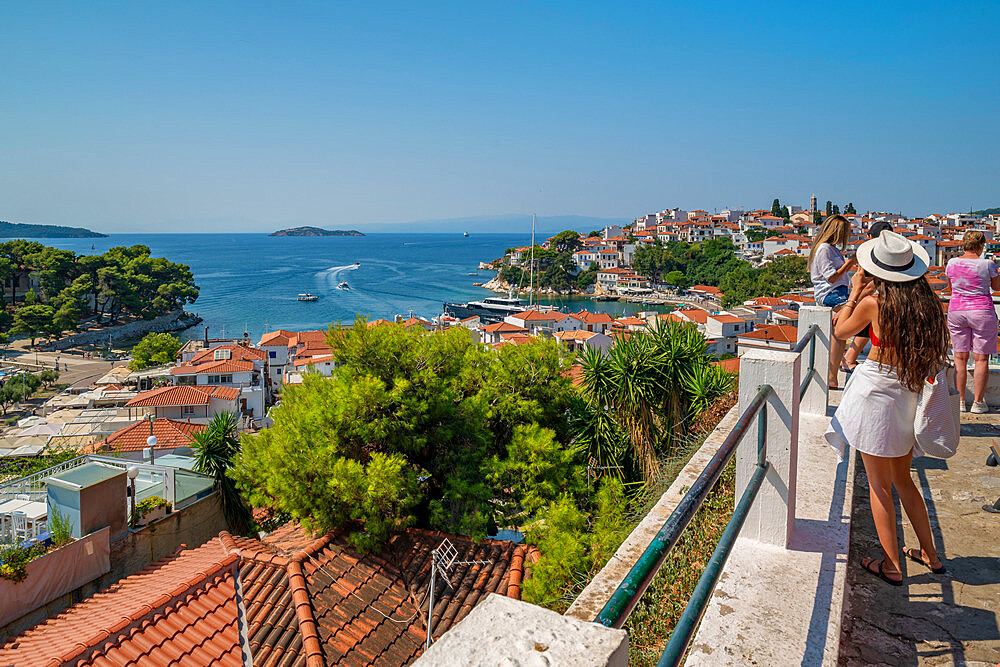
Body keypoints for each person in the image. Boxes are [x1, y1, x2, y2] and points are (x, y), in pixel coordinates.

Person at [826, 231, 948, 585]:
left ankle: (892, 565)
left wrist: (854, 293)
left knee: (879, 486)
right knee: (903, 481)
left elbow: (841, 331)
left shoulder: (875, 304)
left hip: (876, 394)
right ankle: (930, 554)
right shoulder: (926, 305)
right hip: (908, 393)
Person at [944, 229, 999, 413]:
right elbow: (996, 287)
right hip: (982, 311)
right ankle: (978, 402)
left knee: (959, 358)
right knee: (981, 359)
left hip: (957, 310)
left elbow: (951, 288)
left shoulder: (951, 263)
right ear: (982, 245)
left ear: (963, 244)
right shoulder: (987, 264)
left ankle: (959, 401)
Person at [809, 214, 856, 387]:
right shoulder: (824, 249)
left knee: (842, 331)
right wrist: (850, 263)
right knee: (852, 320)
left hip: (838, 293)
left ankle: (835, 372)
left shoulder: (831, 249)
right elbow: (831, 277)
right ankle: (833, 373)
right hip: (831, 293)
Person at [843, 221, 893, 370]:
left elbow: (866, 285)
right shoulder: (891, 255)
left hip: (870, 299)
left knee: (867, 330)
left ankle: (850, 359)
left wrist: (853, 300)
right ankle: (850, 359)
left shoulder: (868, 256)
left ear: (870, 236)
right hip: (882, 299)